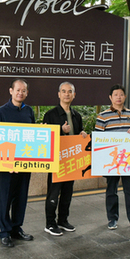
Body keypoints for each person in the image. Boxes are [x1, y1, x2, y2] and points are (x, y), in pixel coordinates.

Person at [95, 84, 130, 231]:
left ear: (125, 97)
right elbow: (98, 139)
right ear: (110, 97)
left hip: (129, 159)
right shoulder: (103, 116)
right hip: (111, 160)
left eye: (121, 94)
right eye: (115, 95)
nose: (119, 97)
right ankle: (112, 219)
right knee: (111, 190)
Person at [0, 79, 35, 247]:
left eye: (23, 90)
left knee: (21, 197)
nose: (20, 93)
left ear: (27, 93)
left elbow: (33, 135)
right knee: (5, 199)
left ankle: (16, 228)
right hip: (7, 166)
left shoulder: (29, 111)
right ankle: (4, 232)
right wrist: (5, 163)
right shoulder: (1, 112)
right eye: (18, 90)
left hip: (25, 163)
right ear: (11, 91)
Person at [42, 82, 87, 236]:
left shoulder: (76, 115)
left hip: (71, 161)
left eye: (69, 91)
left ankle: (63, 220)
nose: (66, 94)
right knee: (53, 193)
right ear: (59, 94)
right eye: (63, 91)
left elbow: (78, 134)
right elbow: (45, 135)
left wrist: (82, 135)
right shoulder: (50, 114)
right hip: (56, 161)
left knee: (67, 193)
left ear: (74, 95)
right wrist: (60, 130)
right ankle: (50, 223)